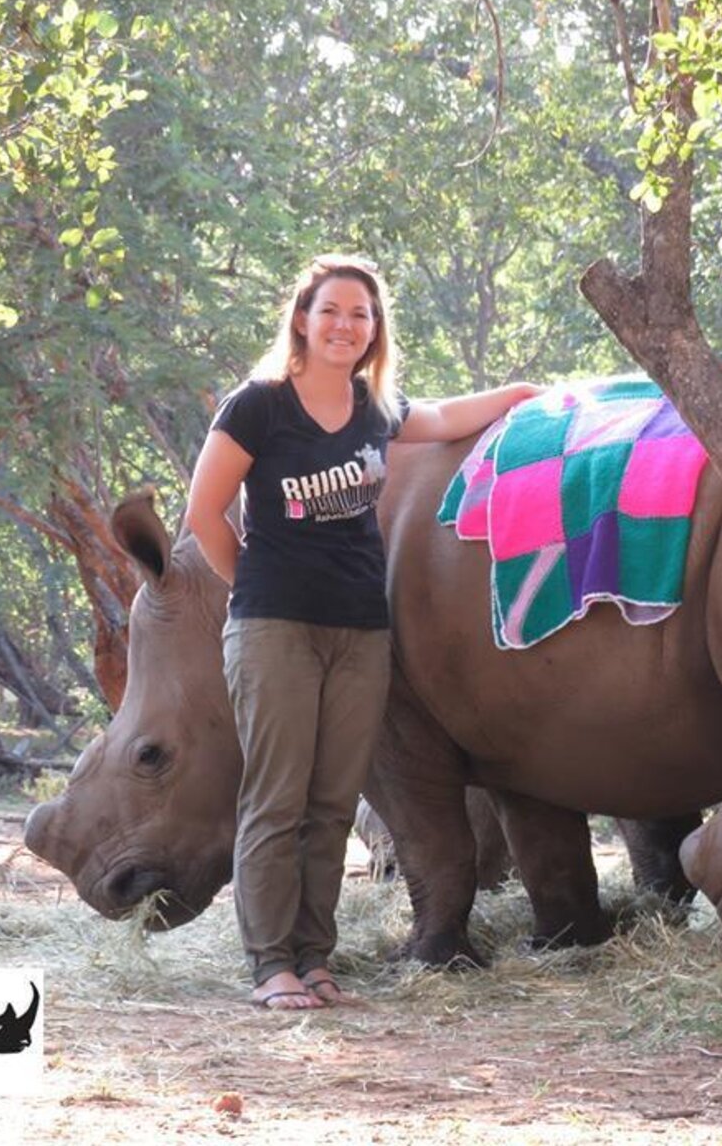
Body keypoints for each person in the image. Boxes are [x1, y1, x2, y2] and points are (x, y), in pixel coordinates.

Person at [184, 254, 539, 1010]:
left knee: (333, 804)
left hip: (360, 632)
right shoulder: (258, 407)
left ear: (375, 331)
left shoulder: (375, 409)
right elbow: (203, 513)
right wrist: (250, 583)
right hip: (274, 628)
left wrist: (523, 395)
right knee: (277, 799)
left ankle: (314, 961)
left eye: (362, 314)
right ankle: (270, 965)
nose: (346, 325)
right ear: (302, 321)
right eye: (332, 311)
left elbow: (443, 419)